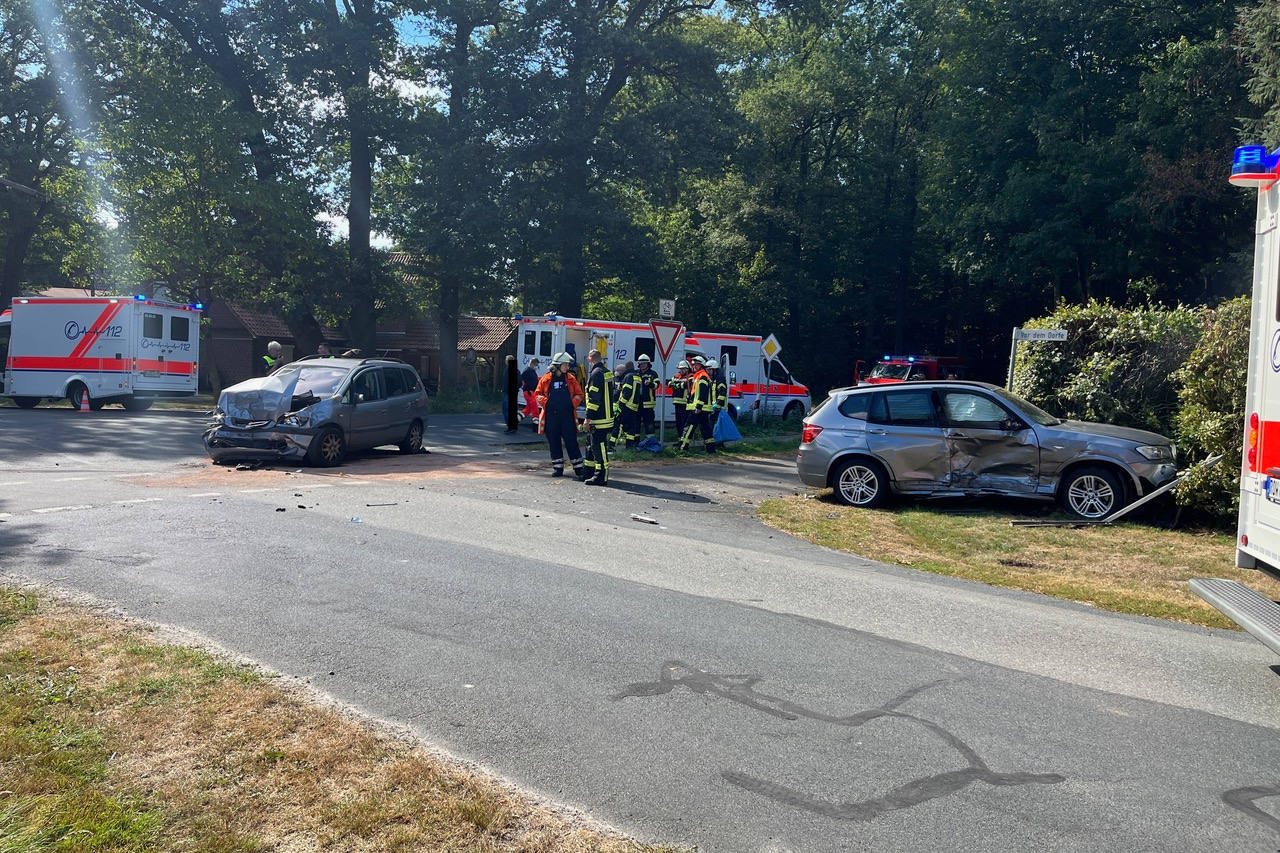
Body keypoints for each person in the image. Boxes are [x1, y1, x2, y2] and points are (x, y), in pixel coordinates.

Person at [534, 352, 587, 478]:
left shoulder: (570, 378)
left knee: (571, 442)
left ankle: (579, 468)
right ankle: (558, 468)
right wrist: (546, 402)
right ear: (558, 365)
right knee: (554, 442)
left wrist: (571, 404)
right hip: (551, 417)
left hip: (567, 416)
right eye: (565, 364)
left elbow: (580, 394)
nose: (567, 367)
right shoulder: (546, 379)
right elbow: (537, 394)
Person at [582, 348, 615, 485]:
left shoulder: (596, 374)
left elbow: (594, 399)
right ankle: (589, 472)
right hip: (607, 417)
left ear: (590, 359)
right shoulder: (607, 373)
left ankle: (601, 476)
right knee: (591, 446)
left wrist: (587, 418)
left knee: (599, 447)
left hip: (599, 419)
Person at [679, 355, 715, 453]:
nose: (694, 366)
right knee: (705, 429)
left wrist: (698, 406)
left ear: (702, 365)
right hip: (703, 408)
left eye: (697, 364)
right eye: (693, 364)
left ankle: (683, 448)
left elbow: (702, 392)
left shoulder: (702, 376)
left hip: (699, 408)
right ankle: (711, 449)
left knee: (689, 426)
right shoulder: (698, 375)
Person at [614, 360, 642, 449]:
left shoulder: (628, 376)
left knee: (619, 425)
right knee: (631, 428)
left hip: (627, 405)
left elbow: (627, 392)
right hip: (634, 406)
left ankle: (612, 445)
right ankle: (629, 446)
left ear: (626, 369)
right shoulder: (637, 377)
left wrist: (621, 404)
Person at [635, 354, 659, 436]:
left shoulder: (653, 374)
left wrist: (650, 384)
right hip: (637, 402)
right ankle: (635, 441)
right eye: (641, 364)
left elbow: (657, 385)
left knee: (649, 422)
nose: (642, 365)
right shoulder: (636, 373)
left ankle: (650, 440)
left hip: (648, 403)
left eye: (644, 363)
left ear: (648, 364)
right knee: (636, 422)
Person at [670, 360, 690, 436]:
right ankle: (679, 440)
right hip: (677, 402)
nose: (681, 370)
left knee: (684, 423)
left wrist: (677, 385)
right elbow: (669, 383)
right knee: (678, 423)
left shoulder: (690, 376)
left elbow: (686, 385)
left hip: (685, 403)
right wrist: (678, 385)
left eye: (683, 369)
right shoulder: (676, 376)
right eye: (680, 369)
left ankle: (684, 440)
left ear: (687, 369)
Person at [503, 354, 520, 433]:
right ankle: (512, 426)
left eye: (506, 360)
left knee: (507, 409)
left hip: (509, 392)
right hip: (508, 391)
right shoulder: (511, 369)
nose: (505, 362)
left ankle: (511, 427)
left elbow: (519, 382)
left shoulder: (512, 370)